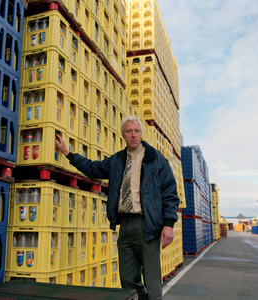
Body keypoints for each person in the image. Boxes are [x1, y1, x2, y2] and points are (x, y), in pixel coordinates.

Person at [55, 115, 179, 300]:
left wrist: (169, 224)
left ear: (141, 134)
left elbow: (170, 193)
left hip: (148, 224)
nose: (133, 135)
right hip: (125, 225)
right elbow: (93, 168)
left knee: (152, 280)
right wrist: (68, 153)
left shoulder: (156, 160)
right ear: (123, 135)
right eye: (129, 131)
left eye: (137, 131)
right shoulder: (117, 160)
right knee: (128, 279)